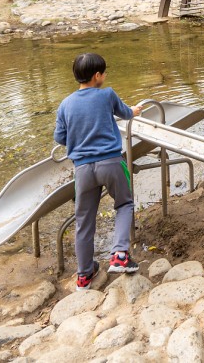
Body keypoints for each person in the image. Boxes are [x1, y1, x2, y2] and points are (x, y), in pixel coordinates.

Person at [54, 52, 143, 291]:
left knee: (84, 220)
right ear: (97, 76)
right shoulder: (107, 95)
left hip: (82, 169)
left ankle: (84, 275)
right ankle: (120, 256)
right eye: (103, 72)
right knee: (124, 204)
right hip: (111, 162)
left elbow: (60, 137)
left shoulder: (65, 104)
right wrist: (134, 110)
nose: (105, 76)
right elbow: (125, 113)